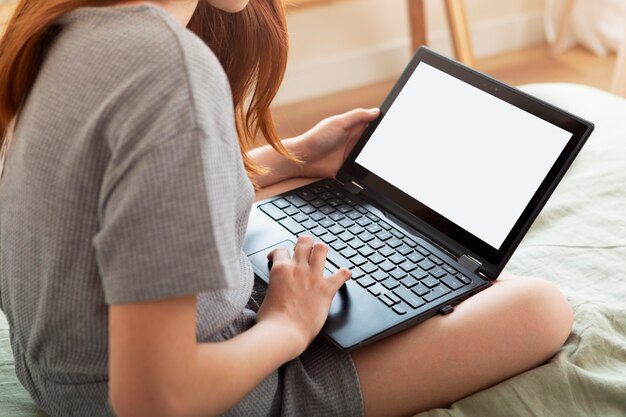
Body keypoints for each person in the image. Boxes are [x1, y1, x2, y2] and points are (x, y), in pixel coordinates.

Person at [0, 1, 573, 416]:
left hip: (59, 371)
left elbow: (121, 192)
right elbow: (154, 400)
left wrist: (289, 158)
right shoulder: (169, 66)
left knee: (293, 220)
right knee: (541, 307)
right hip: (194, 394)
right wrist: (286, 326)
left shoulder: (67, 23)